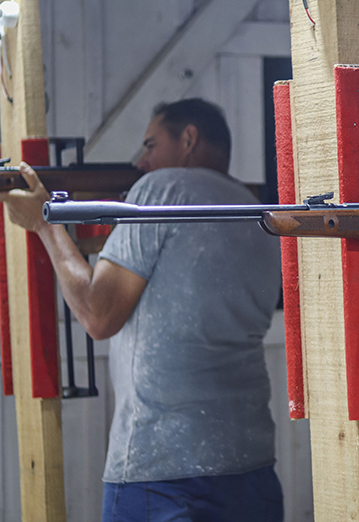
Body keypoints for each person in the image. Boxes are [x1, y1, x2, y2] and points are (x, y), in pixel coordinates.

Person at [0, 98, 284, 521]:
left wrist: (43, 222)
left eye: (151, 145)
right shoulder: (257, 209)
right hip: (252, 464)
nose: (142, 162)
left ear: (188, 139)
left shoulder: (161, 190)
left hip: (162, 471)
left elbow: (98, 313)